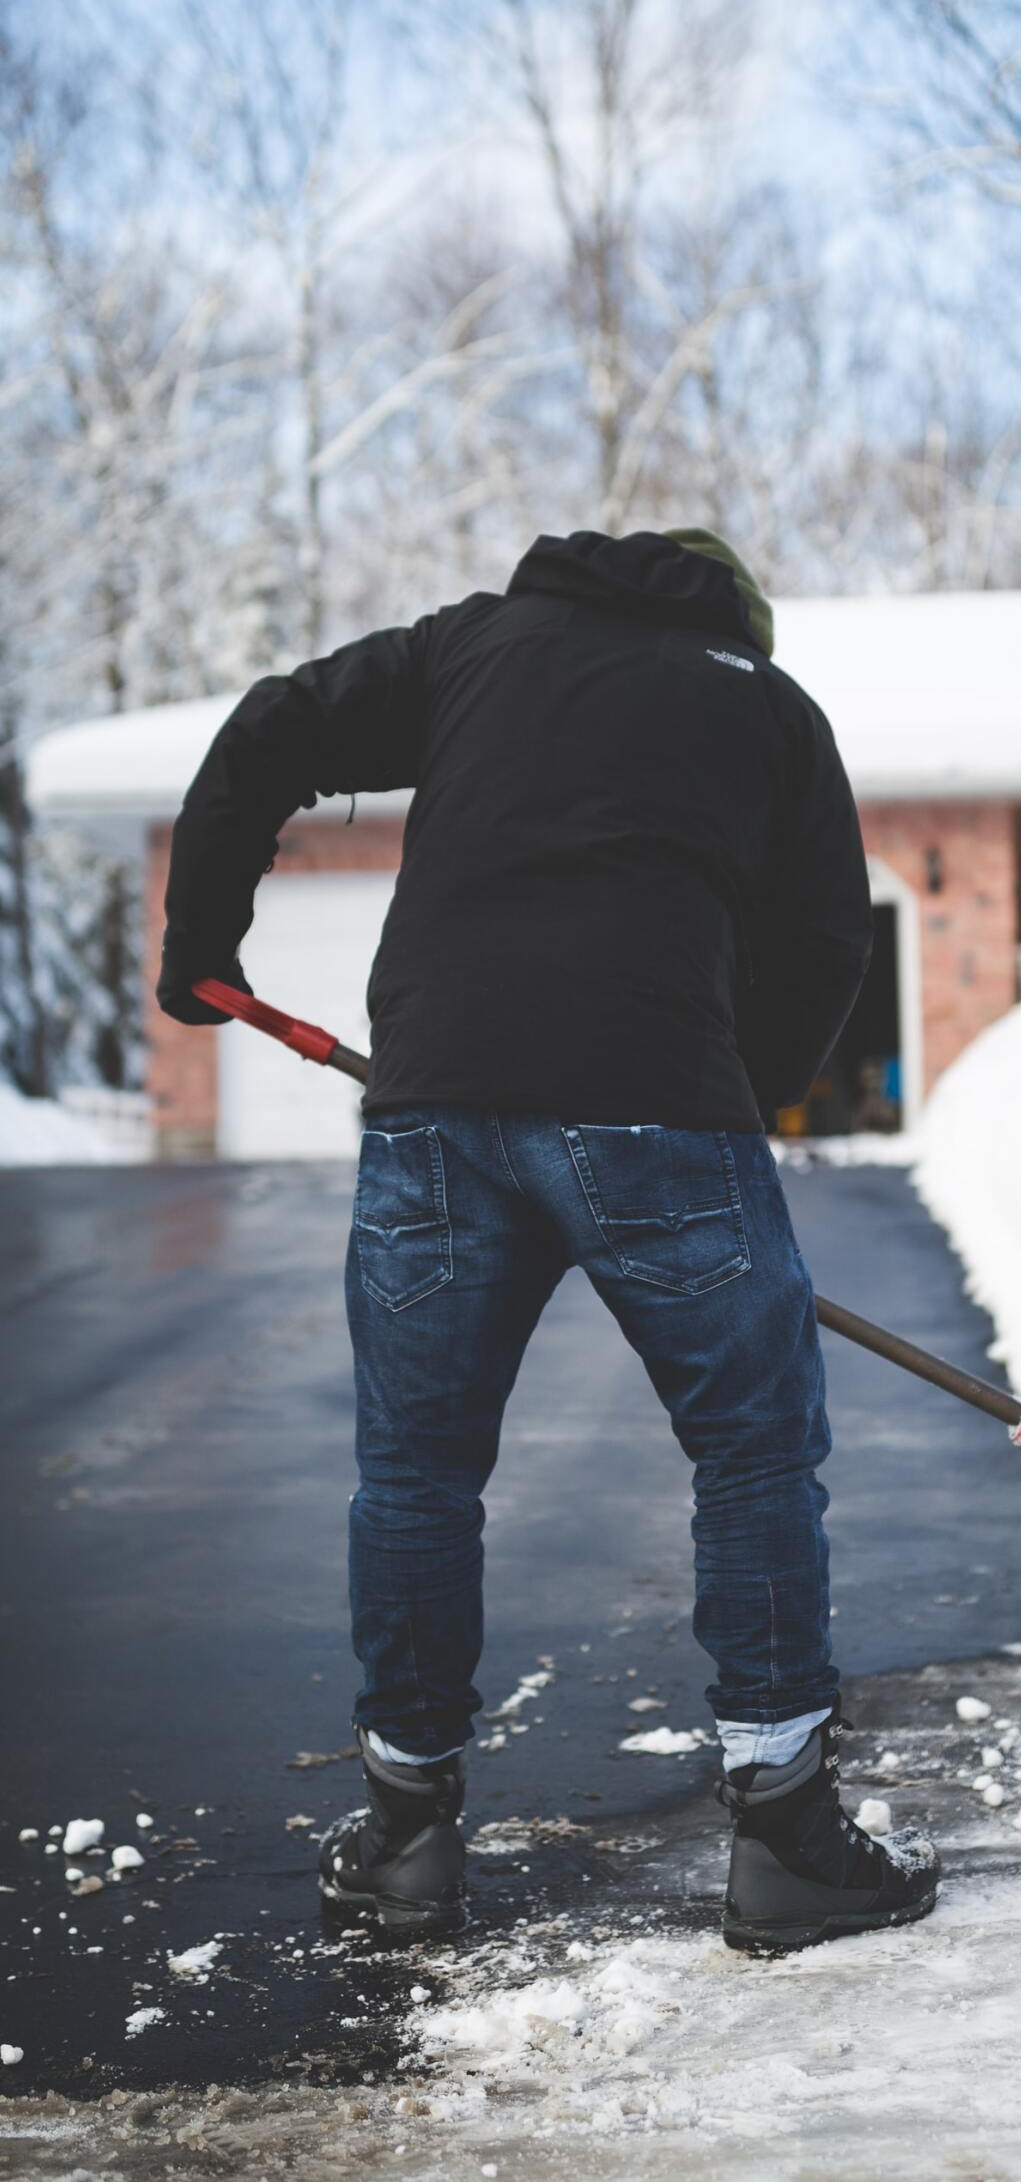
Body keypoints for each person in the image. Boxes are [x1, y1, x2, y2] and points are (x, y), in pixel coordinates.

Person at [158, 526, 940, 1952]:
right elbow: (829, 932)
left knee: (416, 1469)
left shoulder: (473, 648)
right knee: (754, 1449)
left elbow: (274, 723)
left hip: (437, 1106)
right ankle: (784, 1839)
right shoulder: (767, 706)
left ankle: (404, 1836)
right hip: (660, 1108)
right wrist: (721, 1088)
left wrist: (199, 931)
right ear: (740, 620)